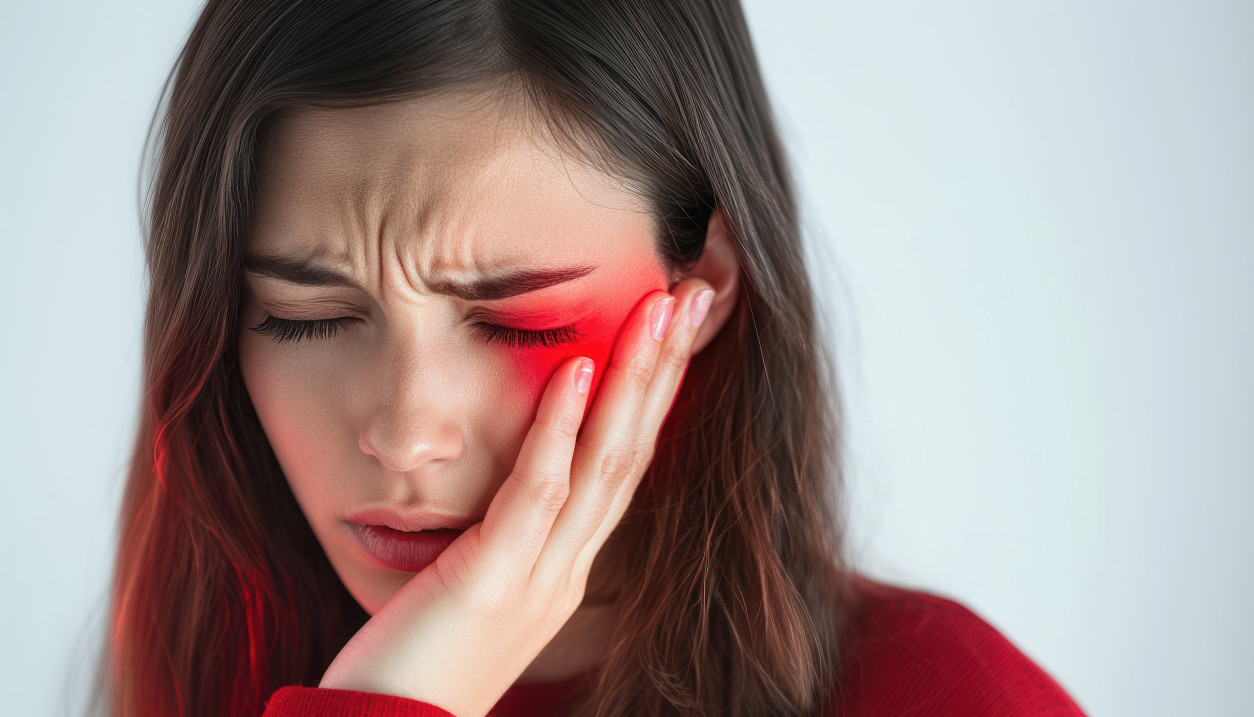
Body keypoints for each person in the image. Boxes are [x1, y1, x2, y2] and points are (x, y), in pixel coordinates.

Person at [87, 1, 1088, 716]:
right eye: (303, 316)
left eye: (515, 324)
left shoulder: (952, 700)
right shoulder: (205, 668)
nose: (402, 432)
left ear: (698, 282)